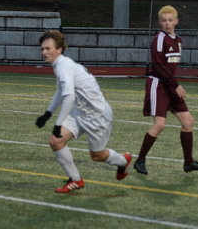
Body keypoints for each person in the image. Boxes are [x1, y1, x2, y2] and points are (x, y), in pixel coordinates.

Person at [35, 30, 131, 193]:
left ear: (59, 49)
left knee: (97, 156)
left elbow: (69, 97)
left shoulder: (63, 66)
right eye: (42, 49)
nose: (44, 52)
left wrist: (58, 124)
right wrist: (48, 113)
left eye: (48, 48)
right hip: (79, 112)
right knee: (56, 141)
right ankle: (76, 180)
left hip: (97, 116)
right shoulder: (60, 64)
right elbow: (61, 91)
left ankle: (122, 161)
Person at [133, 5, 198, 175]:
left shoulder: (178, 40)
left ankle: (188, 162)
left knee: (188, 122)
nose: (167, 23)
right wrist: (175, 85)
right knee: (159, 124)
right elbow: (158, 66)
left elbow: (170, 67)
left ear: (176, 21)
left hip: (170, 84)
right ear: (159, 23)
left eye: (170, 20)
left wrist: (173, 84)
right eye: (163, 21)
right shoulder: (159, 39)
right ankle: (140, 160)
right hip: (159, 85)